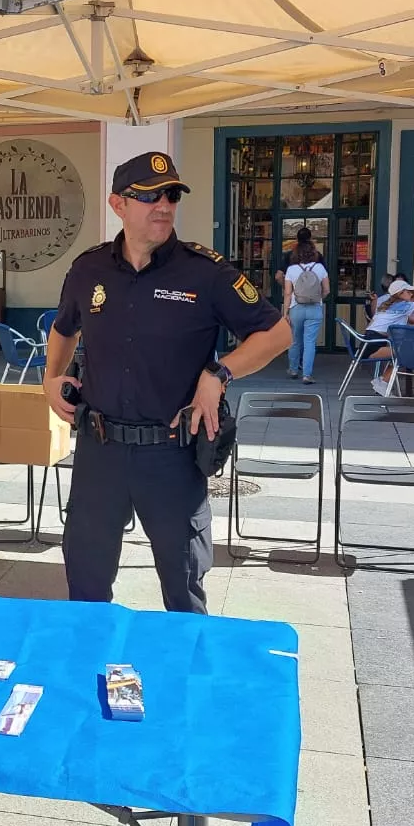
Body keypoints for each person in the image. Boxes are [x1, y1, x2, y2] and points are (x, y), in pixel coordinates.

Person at [43, 151, 291, 615]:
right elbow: (63, 327)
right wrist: (50, 378)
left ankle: (187, 664)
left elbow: (277, 333)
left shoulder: (206, 273)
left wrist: (219, 373)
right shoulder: (88, 269)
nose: (163, 205)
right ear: (118, 204)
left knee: (183, 594)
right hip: (100, 453)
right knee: (85, 590)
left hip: (171, 456)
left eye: (171, 195)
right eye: (149, 196)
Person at [282, 240, 328, 385]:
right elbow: (327, 290)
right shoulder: (320, 268)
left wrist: (285, 313)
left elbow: (287, 293)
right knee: (310, 342)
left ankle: (293, 369)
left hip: (296, 308)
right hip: (314, 309)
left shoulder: (291, 269)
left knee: (295, 340)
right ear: (313, 252)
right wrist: (318, 298)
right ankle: (307, 375)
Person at [363, 278, 414, 392]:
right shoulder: (407, 306)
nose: (411, 293)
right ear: (400, 294)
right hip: (375, 346)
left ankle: (382, 381)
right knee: (406, 353)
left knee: (401, 353)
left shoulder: (385, 304)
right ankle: (383, 382)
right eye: (408, 291)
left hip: (367, 343)